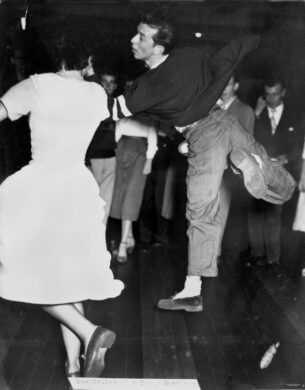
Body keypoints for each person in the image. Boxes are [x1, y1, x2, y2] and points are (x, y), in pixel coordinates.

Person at [115, 12, 295, 312]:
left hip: (203, 137)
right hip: (225, 119)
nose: (133, 40)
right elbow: (228, 55)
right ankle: (260, 169)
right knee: (273, 175)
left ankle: (192, 290)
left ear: (158, 48)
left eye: (141, 37)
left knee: (201, 211)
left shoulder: (143, 88)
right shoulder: (189, 55)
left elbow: (111, 110)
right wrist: (264, 35)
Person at [0, 33, 124, 378]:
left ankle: (89, 332)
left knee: (23, 271)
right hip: (77, 186)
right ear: (87, 60)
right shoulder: (97, 93)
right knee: (67, 279)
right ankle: (74, 367)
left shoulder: (37, 86)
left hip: (40, 187)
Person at [249, 78, 302, 269]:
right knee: (255, 211)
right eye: (267, 94)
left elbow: (300, 146)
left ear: (283, 93)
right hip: (260, 170)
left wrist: (285, 158)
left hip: (283, 173)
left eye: (275, 94)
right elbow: (247, 136)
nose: (271, 99)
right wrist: (256, 112)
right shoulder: (258, 112)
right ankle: (257, 253)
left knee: (274, 213)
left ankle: (273, 258)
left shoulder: (295, 115)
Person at [110, 115, 158, 263]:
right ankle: (129, 237)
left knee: (131, 198)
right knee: (119, 197)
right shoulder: (124, 105)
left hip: (140, 153)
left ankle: (123, 244)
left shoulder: (149, 107)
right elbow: (117, 130)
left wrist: (149, 159)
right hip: (121, 150)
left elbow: (152, 133)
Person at [86, 67, 119, 224]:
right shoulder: (92, 102)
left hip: (110, 158)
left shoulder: (117, 105)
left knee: (105, 203)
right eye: (104, 82)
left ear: (116, 86)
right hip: (92, 159)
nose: (107, 86)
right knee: (88, 202)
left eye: (111, 83)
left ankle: (99, 242)